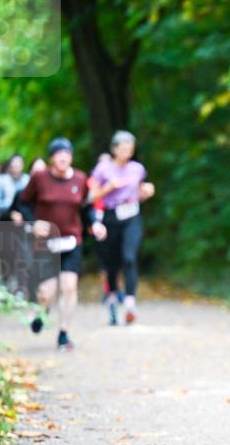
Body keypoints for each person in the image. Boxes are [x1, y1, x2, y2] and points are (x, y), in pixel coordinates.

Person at [10, 137, 107, 351]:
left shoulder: (81, 179)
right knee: (46, 292)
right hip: (46, 243)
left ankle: (64, 334)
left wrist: (95, 224)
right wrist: (33, 223)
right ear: (52, 158)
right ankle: (41, 311)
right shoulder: (39, 178)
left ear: (71, 157)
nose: (64, 158)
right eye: (59, 154)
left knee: (69, 287)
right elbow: (23, 204)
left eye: (67, 154)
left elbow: (86, 207)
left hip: (72, 241)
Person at [88, 132, 154, 325]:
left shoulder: (137, 169)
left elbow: (139, 191)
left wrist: (147, 193)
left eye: (130, 148)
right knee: (111, 264)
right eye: (123, 148)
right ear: (114, 149)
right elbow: (91, 197)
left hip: (132, 216)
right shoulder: (103, 168)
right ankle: (111, 300)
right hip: (110, 217)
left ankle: (130, 303)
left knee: (129, 257)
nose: (127, 152)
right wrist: (108, 188)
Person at [0, 154, 30, 291]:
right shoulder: (0, 181)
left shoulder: (28, 180)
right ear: (9, 167)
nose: (16, 168)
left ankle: (20, 287)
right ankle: (6, 282)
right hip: (4, 224)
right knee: (6, 254)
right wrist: (8, 209)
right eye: (13, 165)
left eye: (18, 165)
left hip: (22, 224)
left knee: (22, 254)